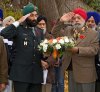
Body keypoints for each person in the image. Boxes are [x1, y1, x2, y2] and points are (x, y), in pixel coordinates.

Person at [0, 3, 47, 92]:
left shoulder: (39, 31)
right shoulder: (18, 29)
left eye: (36, 15)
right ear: (25, 16)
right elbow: (3, 33)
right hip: (21, 75)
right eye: (31, 15)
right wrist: (18, 21)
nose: (34, 18)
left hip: (36, 75)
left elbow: (40, 50)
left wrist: (44, 58)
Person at [51, 8, 99, 92]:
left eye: (79, 18)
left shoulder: (93, 33)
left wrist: (77, 50)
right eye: (74, 18)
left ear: (84, 19)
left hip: (85, 74)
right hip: (69, 72)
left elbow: (94, 50)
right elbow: (54, 33)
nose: (76, 20)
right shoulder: (68, 30)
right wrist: (61, 21)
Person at [86, 11, 100, 92]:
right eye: (88, 21)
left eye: (92, 21)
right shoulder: (82, 33)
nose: (90, 23)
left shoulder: (98, 33)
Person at [1, 16, 15, 92]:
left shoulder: (15, 38)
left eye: (11, 25)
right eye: (7, 25)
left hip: (12, 70)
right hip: (3, 70)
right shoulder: (1, 38)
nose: (9, 27)